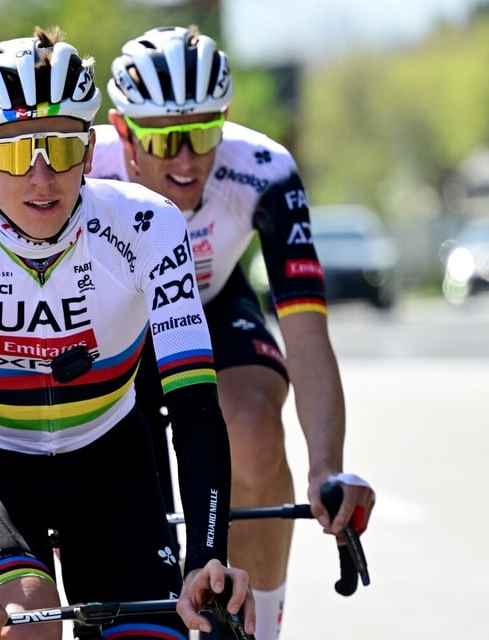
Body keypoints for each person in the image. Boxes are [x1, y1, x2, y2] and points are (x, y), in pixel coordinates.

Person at [0, 27, 256, 640]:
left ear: (89, 149)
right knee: (26, 623)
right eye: (13, 153)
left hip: (110, 454)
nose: (41, 178)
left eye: (59, 149)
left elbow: (193, 405)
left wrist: (207, 556)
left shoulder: (148, 226)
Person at [94, 25, 377, 640]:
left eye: (203, 132)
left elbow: (304, 333)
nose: (188, 158)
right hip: (107, 328)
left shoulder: (264, 169)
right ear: (122, 131)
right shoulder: (81, 169)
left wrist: (326, 467)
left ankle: (262, 628)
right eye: (165, 139)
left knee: (250, 428)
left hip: (210, 303)